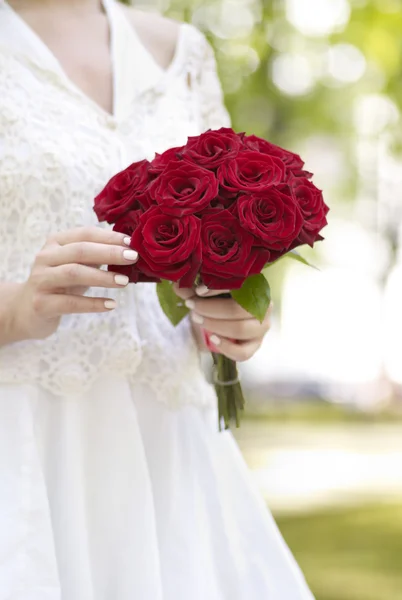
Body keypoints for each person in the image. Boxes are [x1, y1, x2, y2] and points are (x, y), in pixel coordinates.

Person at [0, 0, 315, 598]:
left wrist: (235, 315)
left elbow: (221, 250)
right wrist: (17, 308)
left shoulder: (183, 52)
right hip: (25, 447)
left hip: (173, 451)